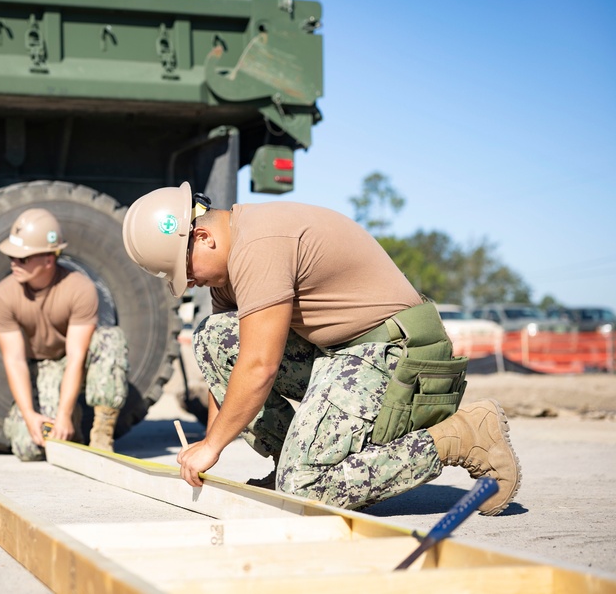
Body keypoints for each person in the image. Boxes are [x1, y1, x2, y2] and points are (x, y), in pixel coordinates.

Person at [121, 182, 521, 515]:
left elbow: (260, 365)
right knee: (213, 336)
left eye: (185, 271)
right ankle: (293, 461)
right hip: (343, 355)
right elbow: (226, 365)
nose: (188, 282)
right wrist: (212, 447)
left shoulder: (259, 244)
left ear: (203, 238)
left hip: (396, 354)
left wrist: (210, 446)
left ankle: (461, 436)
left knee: (303, 491)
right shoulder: (226, 266)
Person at [0, 208, 129, 461]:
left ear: (48, 259)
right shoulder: (3, 294)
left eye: (22, 258)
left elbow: (76, 357)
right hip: (42, 367)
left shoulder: (80, 288)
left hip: (74, 362)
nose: (14, 263)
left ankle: (101, 435)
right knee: (28, 448)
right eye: (12, 256)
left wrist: (62, 414)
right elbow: (15, 360)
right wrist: (29, 414)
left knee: (110, 340)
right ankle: (71, 426)